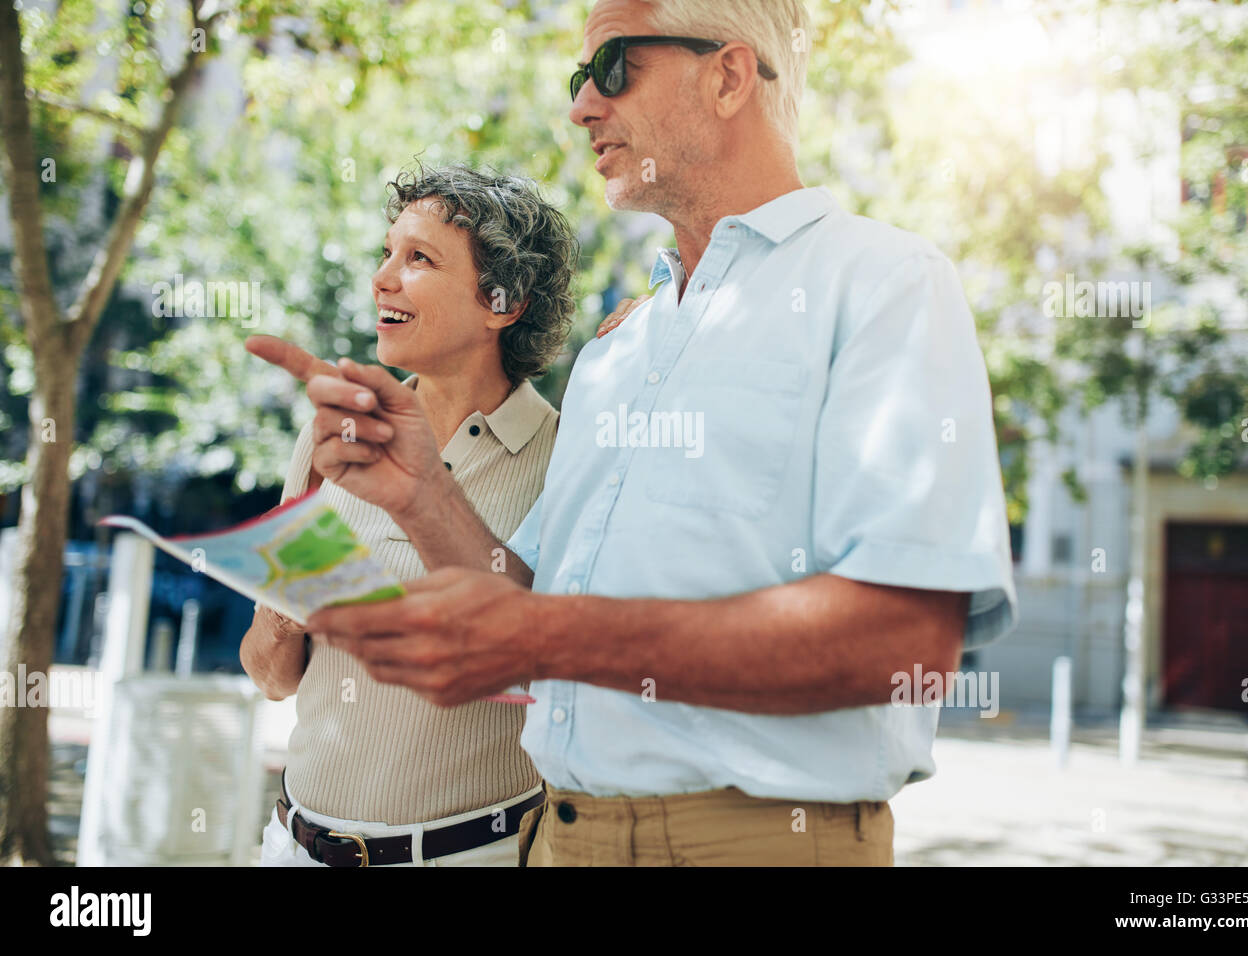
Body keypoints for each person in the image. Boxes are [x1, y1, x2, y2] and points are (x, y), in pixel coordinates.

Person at [265, 0, 1019, 867]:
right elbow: (527, 619)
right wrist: (421, 490)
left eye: (613, 67)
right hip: (557, 840)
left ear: (729, 75)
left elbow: (904, 647)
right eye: (577, 78)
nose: (583, 105)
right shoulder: (617, 354)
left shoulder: (886, 284)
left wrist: (550, 636)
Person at [240, 163, 577, 866]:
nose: (383, 278)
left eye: (419, 259)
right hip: (294, 846)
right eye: (387, 253)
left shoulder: (566, 461)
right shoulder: (333, 436)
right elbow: (272, 677)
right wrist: (281, 616)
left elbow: (556, 675)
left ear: (503, 302)